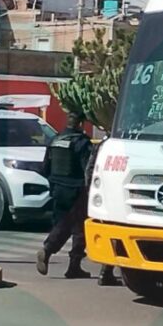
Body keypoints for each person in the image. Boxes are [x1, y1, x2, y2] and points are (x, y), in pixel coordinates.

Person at [36, 112, 93, 278]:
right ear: (81, 124)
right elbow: (87, 170)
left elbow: (45, 167)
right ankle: (50, 252)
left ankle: (70, 265)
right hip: (76, 190)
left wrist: (53, 183)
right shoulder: (82, 143)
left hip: (57, 189)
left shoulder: (55, 140)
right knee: (79, 228)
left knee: (63, 224)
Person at [86, 133, 121, 286]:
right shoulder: (115, 145)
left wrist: (90, 189)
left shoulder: (105, 144)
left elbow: (90, 168)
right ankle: (106, 272)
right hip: (113, 195)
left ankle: (106, 272)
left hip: (107, 195)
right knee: (115, 234)